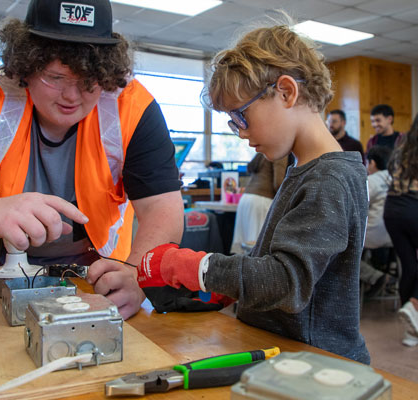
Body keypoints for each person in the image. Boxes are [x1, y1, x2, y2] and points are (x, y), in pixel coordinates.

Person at [0, 0, 183, 319]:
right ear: (26, 65)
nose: (71, 96)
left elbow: (163, 207)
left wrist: (137, 274)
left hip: (100, 289)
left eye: (88, 82)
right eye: (55, 77)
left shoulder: (132, 108)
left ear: (107, 74)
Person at [136, 19, 371, 363]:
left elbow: (285, 282)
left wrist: (193, 266)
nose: (241, 134)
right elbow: (275, 265)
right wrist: (228, 288)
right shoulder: (305, 170)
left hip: (315, 363)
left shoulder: (329, 178)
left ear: (287, 92)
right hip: (285, 354)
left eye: (242, 116)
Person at [383, 114, 418, 347]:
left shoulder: (403, 146)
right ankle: (413, 305)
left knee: (409, 265)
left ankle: (412, 331)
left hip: (392, 209)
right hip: (414, 206)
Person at [230, 152, 290, 254]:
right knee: (258, 248)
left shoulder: (264, 152)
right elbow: (279, 183)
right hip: (261, 201)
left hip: (246, 199)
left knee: (246, 248)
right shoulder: (280, 152)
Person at [360, 145, 393, 297]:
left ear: (372, 163)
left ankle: (375, 277)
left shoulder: (370, 181)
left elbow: (358, 206)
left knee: (340, 248)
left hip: (372, 236)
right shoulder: (394, 178)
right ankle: (379, 275)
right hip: (394, 236)